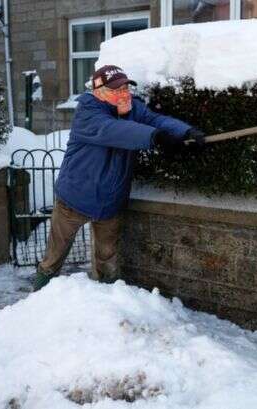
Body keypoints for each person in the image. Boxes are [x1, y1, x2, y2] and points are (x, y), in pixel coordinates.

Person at [33, 65, 205, 291]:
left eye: (125, 87)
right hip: (74, 199)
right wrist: (156, 138)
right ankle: (37, 297)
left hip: (110, 201)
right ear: (98, 92)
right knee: (54, 257)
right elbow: (113, 130)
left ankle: (108, 303)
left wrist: (185, 132)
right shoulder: (88, 113)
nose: (124, 93)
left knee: (108, 259)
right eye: (116, 89)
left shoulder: (131, 107)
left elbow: (156, 120)